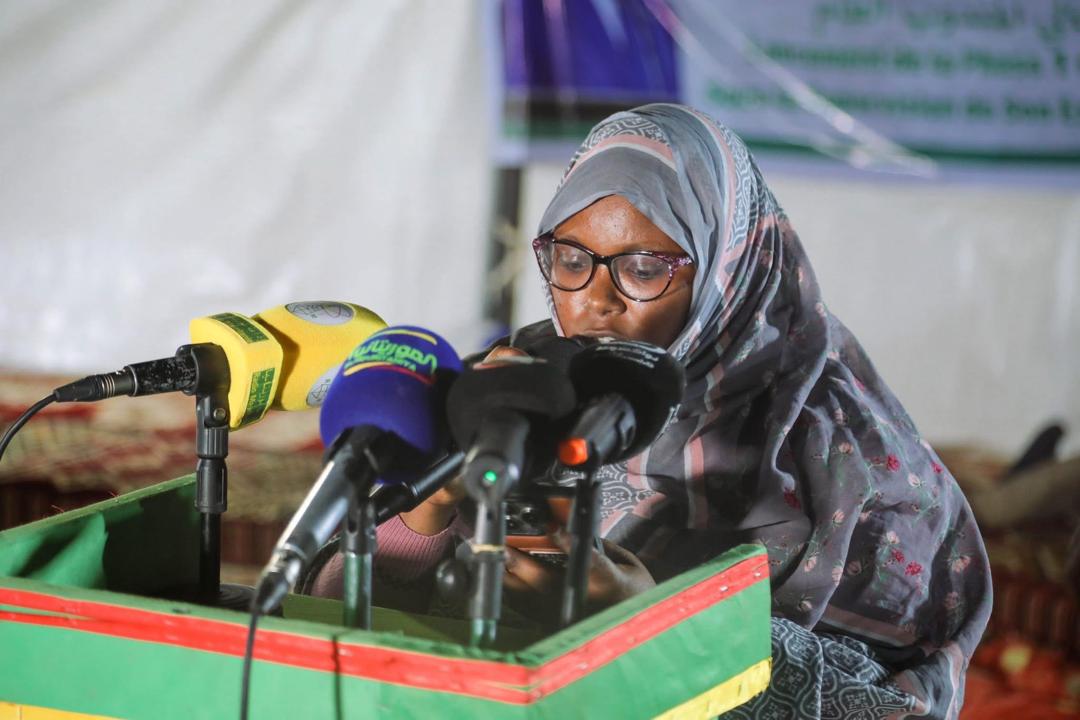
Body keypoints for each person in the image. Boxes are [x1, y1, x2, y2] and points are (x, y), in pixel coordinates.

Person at [313, 103, 990, 719]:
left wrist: (651, 621)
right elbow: (330, 620)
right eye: (570, 260)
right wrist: (429, 504)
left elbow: (889, 707)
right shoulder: (515, 384)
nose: (595, 300)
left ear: (728, 268)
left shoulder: (851, 460)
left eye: (642, 269)